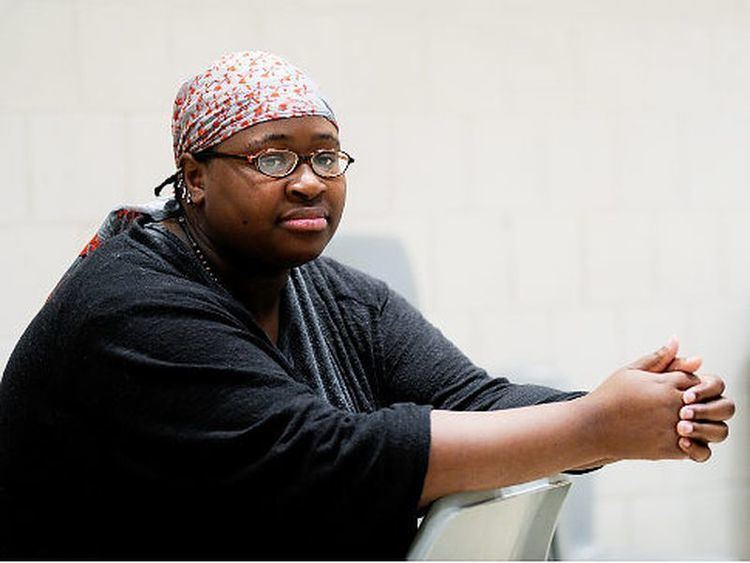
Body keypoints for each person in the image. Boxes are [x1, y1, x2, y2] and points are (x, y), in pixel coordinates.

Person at [0, 51, 734, 560]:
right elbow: (326, 459)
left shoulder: (334, 294)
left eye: (326, 154)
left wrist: (640, 410)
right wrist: (594, 424)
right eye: (273, 157)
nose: (311, 180)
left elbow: (476, 400)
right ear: (193, 177)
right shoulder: (132, 305)